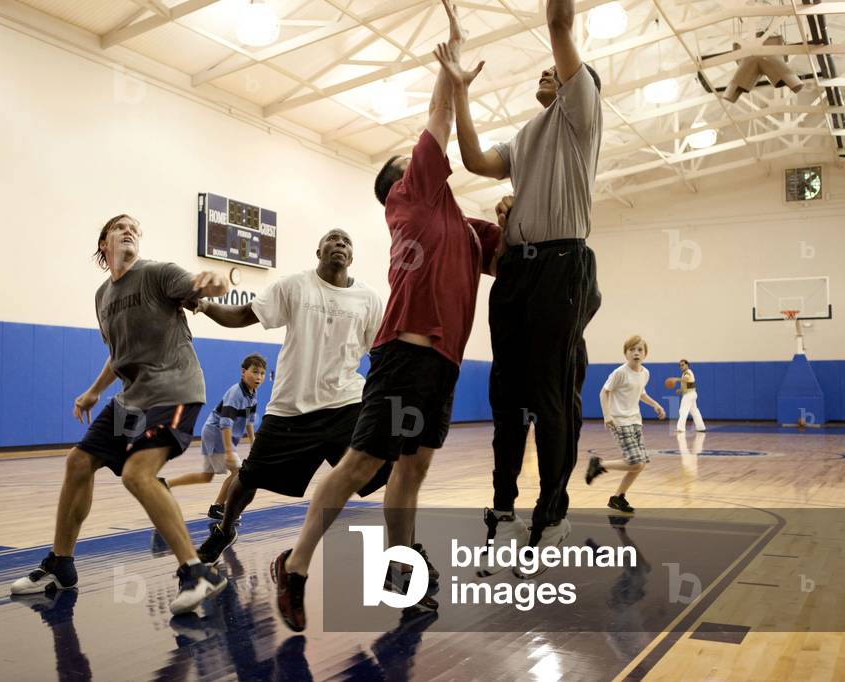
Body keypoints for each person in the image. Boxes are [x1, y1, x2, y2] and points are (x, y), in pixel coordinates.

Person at [271, 0, 503, 632]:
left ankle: (399, 574)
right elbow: (438, 125)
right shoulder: (409, 197)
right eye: (414, 159)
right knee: (361, 465)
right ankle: (293, 567)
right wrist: (451, 75)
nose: (426, 159)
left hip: (444, 364)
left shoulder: (463, 224)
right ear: (398, 183)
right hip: (404, 354)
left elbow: (511, 255)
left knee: (414, 468)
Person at [438, 0, 603, 563]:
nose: (546, 68)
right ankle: (503, 511)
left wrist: (562, 32)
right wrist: (460, 90)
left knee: (553, 398)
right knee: (507, 399)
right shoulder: (527, 135)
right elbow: (474, 158)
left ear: (576, 81)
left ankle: (551, 515)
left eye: (556, 68)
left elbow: (558, 23)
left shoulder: (580, 112)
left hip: (561, 263)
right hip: (517, 272)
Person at [9, 214, 229, 615]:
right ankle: (61, 564)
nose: (129, 231)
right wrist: (94, 391)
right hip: (132, 398)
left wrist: (215, 281)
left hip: (174, 389)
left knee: (137, 474)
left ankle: (197, 571)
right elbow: (119, 354)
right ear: (103, 244)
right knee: (78, 462)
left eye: (135, 228)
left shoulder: (160, 274)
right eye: (120, 227)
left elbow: (204, 286)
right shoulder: (102, 297)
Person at [194, 229, 392, 565]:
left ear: (352, 256)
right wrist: (204, 305)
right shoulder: (294, 286)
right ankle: (226, 529)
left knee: (390, 471)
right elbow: (244, 315)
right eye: (333, 239)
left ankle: (401, 553)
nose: (340, 244)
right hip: (291, 408)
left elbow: (381, 352)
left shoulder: (369, 298)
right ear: (319, 250)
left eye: (347, 241)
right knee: (247, 478)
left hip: (346, 405)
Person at [161, 353, 265, 523]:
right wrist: (230, 451)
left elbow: (249, 421)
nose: (258, 377)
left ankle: (166, 484)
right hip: (216, 433)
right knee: (238, 472)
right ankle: (217, 507)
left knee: (206, 476)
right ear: (243, 372)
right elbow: (225, 423)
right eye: (254, 372)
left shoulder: (252, 396)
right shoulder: (236, 394)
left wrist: (253, 442)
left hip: (216, 433)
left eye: (261, 373)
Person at [585, 336, 666, 514]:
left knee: (640, 464)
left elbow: (641, 394)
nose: (636, 353)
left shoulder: (645, 373)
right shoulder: (620, 373)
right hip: (619, 421)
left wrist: (655, 405)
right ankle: (599, 465)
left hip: (635, 421)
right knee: (635, 462)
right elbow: (603, 392)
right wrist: (607, 415)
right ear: (626, 353)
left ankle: (618, 498)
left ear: (645, 353)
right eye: (632, 350)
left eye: (639, 350)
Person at [671, 359, 706, 432]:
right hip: (692, 394)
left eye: (683, 365)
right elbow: (689, 385)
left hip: (689, 395)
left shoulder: (688, 372)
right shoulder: (686, 373)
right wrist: (680, 390)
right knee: (694, 411)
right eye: (680, 365)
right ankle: (701, 427)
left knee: (683, 410)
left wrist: (676, 379)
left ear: (687, 365)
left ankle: (680, 428)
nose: (681, 366)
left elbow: (686, 379)